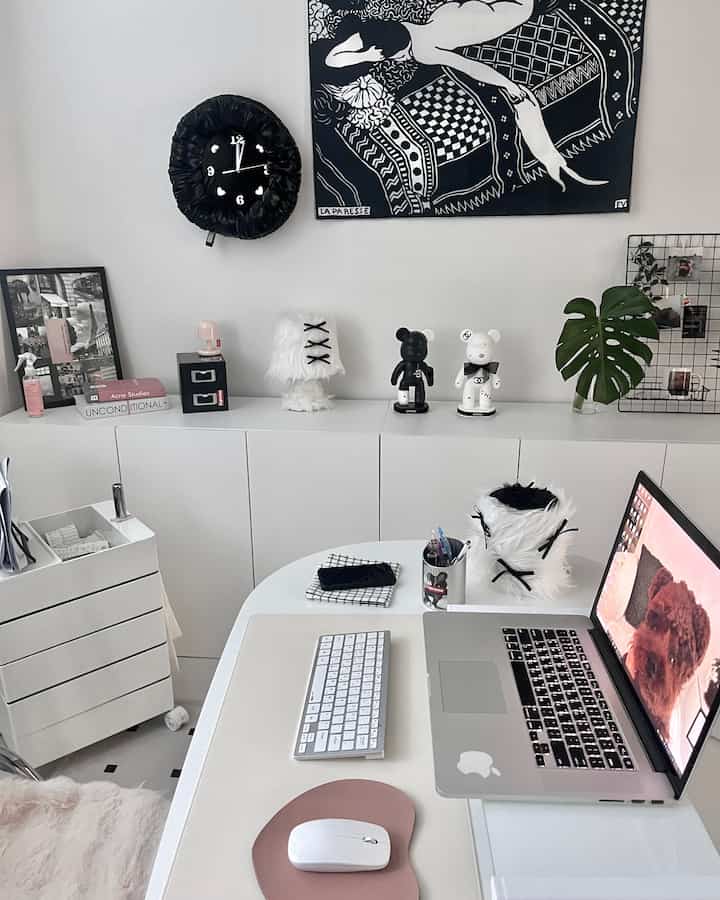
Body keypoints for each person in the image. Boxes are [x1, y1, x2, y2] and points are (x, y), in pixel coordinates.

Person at [324, 0, 606, 189]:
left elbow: (471, 67)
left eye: (398, 58)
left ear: (400, 52)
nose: (399, 62)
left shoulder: (423, 50)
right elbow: (333, 58)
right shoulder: (425, 19)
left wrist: (509, 86)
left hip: (517, 9)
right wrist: (370, 52)